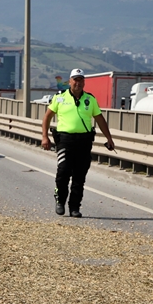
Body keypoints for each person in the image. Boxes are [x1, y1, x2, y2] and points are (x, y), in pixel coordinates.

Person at [41, 68, 116, 218]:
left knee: (79, 176)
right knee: (63, 171)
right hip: (65, 140)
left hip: (84, 141)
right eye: (75, 79)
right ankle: (60, 200)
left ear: (84, 82)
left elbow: (100, 119)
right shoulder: (60, 98)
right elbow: (47, 117)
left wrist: (109, 138)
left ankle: (74, 207)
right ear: (69, 81)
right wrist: (45, 137)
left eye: (81, 79)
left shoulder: (90, 99)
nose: (78, 82)